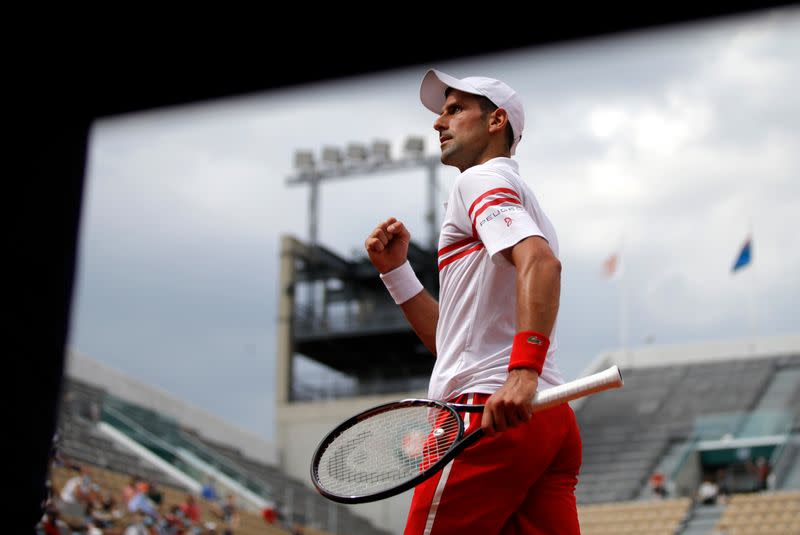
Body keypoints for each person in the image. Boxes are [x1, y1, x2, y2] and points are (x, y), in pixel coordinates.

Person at [365, 69, 580, 534]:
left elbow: (541, 265)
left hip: (487, 412)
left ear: (496, 120)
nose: (438, 123)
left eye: (455, 109)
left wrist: (522, 372)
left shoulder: (478, 182)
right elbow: (454, 344)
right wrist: (397, 273)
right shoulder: (519, 198)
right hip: (547, 418)